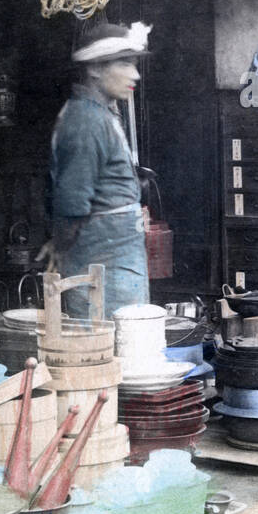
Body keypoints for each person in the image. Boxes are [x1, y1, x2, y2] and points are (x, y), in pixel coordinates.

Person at [44, 21, 153, 318]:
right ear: (94, 69)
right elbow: (72, 203)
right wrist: (61, 245)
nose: (135, 74)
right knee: (108, 346)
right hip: (102, 261)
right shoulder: (84, 121)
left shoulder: (101, 114)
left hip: (118, 260)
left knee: (130, 340)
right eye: (125, 63)